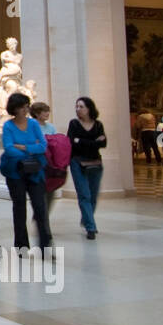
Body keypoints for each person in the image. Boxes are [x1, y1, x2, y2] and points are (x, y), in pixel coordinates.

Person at [0, 92, 53, 250]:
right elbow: (9, 149)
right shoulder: (9, 126)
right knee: (19, 208)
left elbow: (42, 146)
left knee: (40, 207)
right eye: (22, 107)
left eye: (26, 106)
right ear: (14, 109)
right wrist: (31, 149)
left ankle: (45, 244)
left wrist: (23, 147)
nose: (25, 110)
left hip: (35, 171)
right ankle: (22, 245)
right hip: (15, 172)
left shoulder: (34, 124)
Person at [66, 96, 106, 239]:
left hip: (96, 163)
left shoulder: (98, 125)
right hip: (77, 162)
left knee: (93, 196)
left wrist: (81, 141)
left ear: (89, 108)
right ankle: (91, 227)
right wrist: (92, 142)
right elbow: (72, 142)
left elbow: (103, 143)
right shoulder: (74, 124)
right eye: (76, 107)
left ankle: (86, 219)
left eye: (81, 106)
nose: (78, 109)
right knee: (84, 195)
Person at [30, 101, 67, 217]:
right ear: (37, 113)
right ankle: (41, 218)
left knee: (49, 192)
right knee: (39, 193)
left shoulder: (50, 127)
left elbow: (56, 143)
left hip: (50, 165)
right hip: (37, 163)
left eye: (47, 111)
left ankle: (43, 217)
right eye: (44, 111)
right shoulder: (31, 126)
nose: (47, 113)